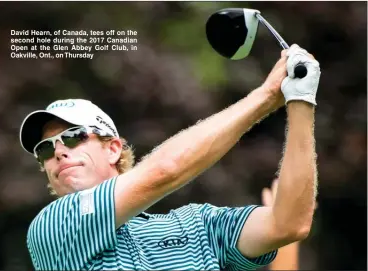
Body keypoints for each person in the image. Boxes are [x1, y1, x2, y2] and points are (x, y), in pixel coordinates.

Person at [19, 44, 320, 271]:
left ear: (112, 149)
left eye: (74, 136)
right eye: (45, 149)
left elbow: (288, 225)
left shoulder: (197, 224)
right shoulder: (53, 226)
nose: (58, 151)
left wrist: (300, 101)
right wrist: (267, 96)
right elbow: (166, 170)